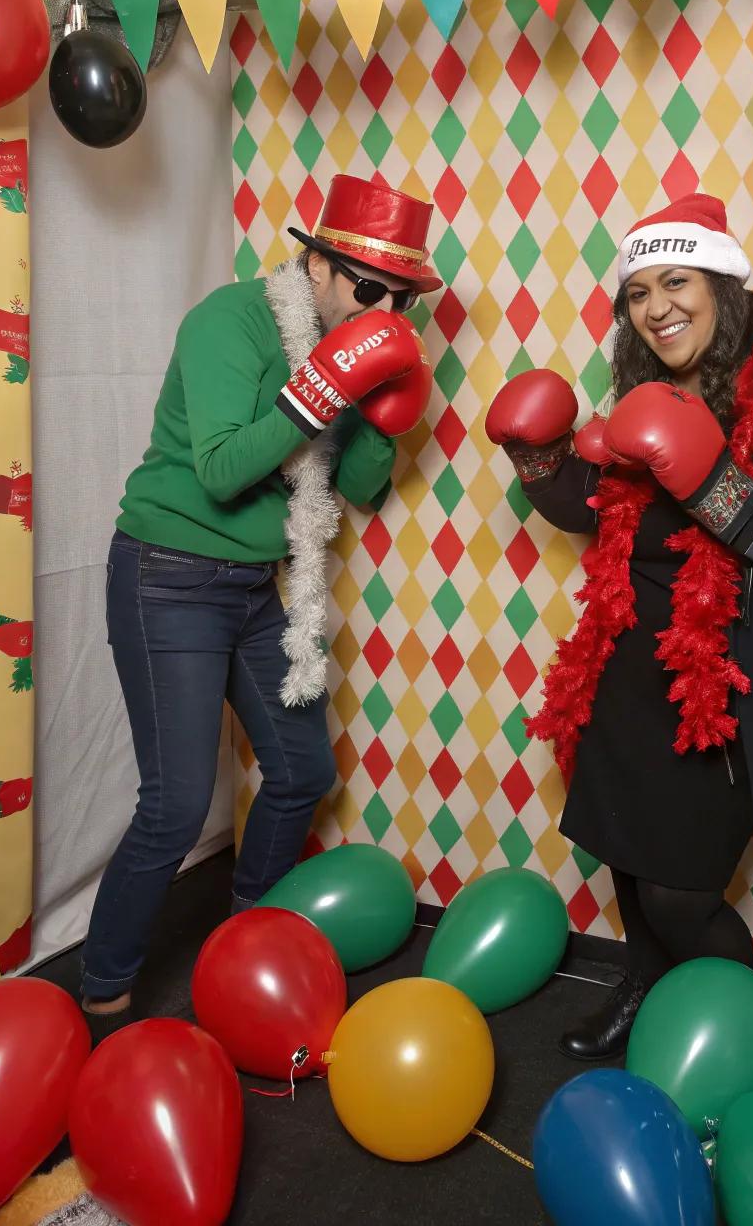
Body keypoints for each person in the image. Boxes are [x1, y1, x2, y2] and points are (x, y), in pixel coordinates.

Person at [487, 192, 753, 1060]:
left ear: (723, 285)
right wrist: (538, 456)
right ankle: (644, 990)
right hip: (634, 672)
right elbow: (604, 513)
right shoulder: (651, 392)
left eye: (678, 282)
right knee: (628, 861)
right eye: (639, 293)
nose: (658, 306)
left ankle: (730, 1045)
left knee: (679, 895)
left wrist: (712, 481)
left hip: (729, 690)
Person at [82, 175, 441, 1034]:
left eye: (401, 298)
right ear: (315, 265)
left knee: (303, 770)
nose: (383, 308)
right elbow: (219, 470)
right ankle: (101, 987)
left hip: (251, 587)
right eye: (367, 287)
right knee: (174, 807)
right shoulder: (227, 321)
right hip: (167, 576)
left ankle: (245, 944)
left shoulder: (356, 348)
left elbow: (357, 492)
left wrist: (380, 414)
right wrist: (326, 382)